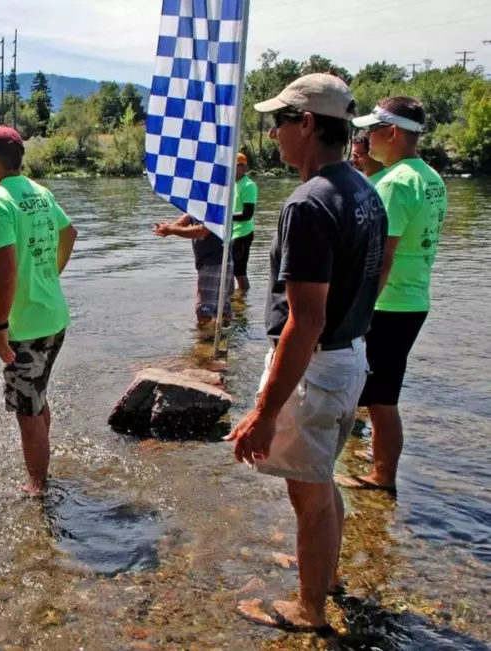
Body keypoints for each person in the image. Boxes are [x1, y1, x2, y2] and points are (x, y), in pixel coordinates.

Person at [226, 74, 390, 634]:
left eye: (279, 122)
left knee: (312, 492)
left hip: (317, 366)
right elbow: (376, 278)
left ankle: (310, 608)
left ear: (308, 124)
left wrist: (264, 413)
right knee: (323, 479)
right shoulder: (365, 191)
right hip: (349, 358)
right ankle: (327, 577)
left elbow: (306, 320)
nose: (272, 134)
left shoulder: (310, 203)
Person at [337, 97, 447, 493]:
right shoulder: (429, 177)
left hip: (388, 303)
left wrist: (359, 308)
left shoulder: (396, 182)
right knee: (382, 391)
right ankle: (379, 459)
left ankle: (383, 476)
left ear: (393, 133)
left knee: (381, 398)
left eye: (371, 132)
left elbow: (382, 255)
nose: (366, 138)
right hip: (413, 298)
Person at [0, 126, 78, 497]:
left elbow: (5, 268)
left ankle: (37, 487)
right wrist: (50, 275)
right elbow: (70, 234)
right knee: (38, 396)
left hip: (27, 325)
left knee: (27, 410)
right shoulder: (41, 193)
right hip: (55, 316)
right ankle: (43, 467)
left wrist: (0, 326)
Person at [153, 215, 233, 330]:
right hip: (210, 262)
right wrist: (171, 227)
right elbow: (187, 218)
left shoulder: (217, 204)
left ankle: (205, 343)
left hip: (215, 262)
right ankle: (221, 337)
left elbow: (202, 231)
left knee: (205, 311)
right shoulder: (199, 204)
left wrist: (171, 229)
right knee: (219, 307)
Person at [231, 152, 259, 296]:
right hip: (233, 232)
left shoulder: (248, 185)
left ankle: (243, 299)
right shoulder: (233, 184)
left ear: (244, 167)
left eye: (237, 165)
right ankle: (236, 296)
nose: (233, 168)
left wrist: (227, 217)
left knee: (239, 271)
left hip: (243, 233)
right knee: (232, 269)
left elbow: (247, 214)